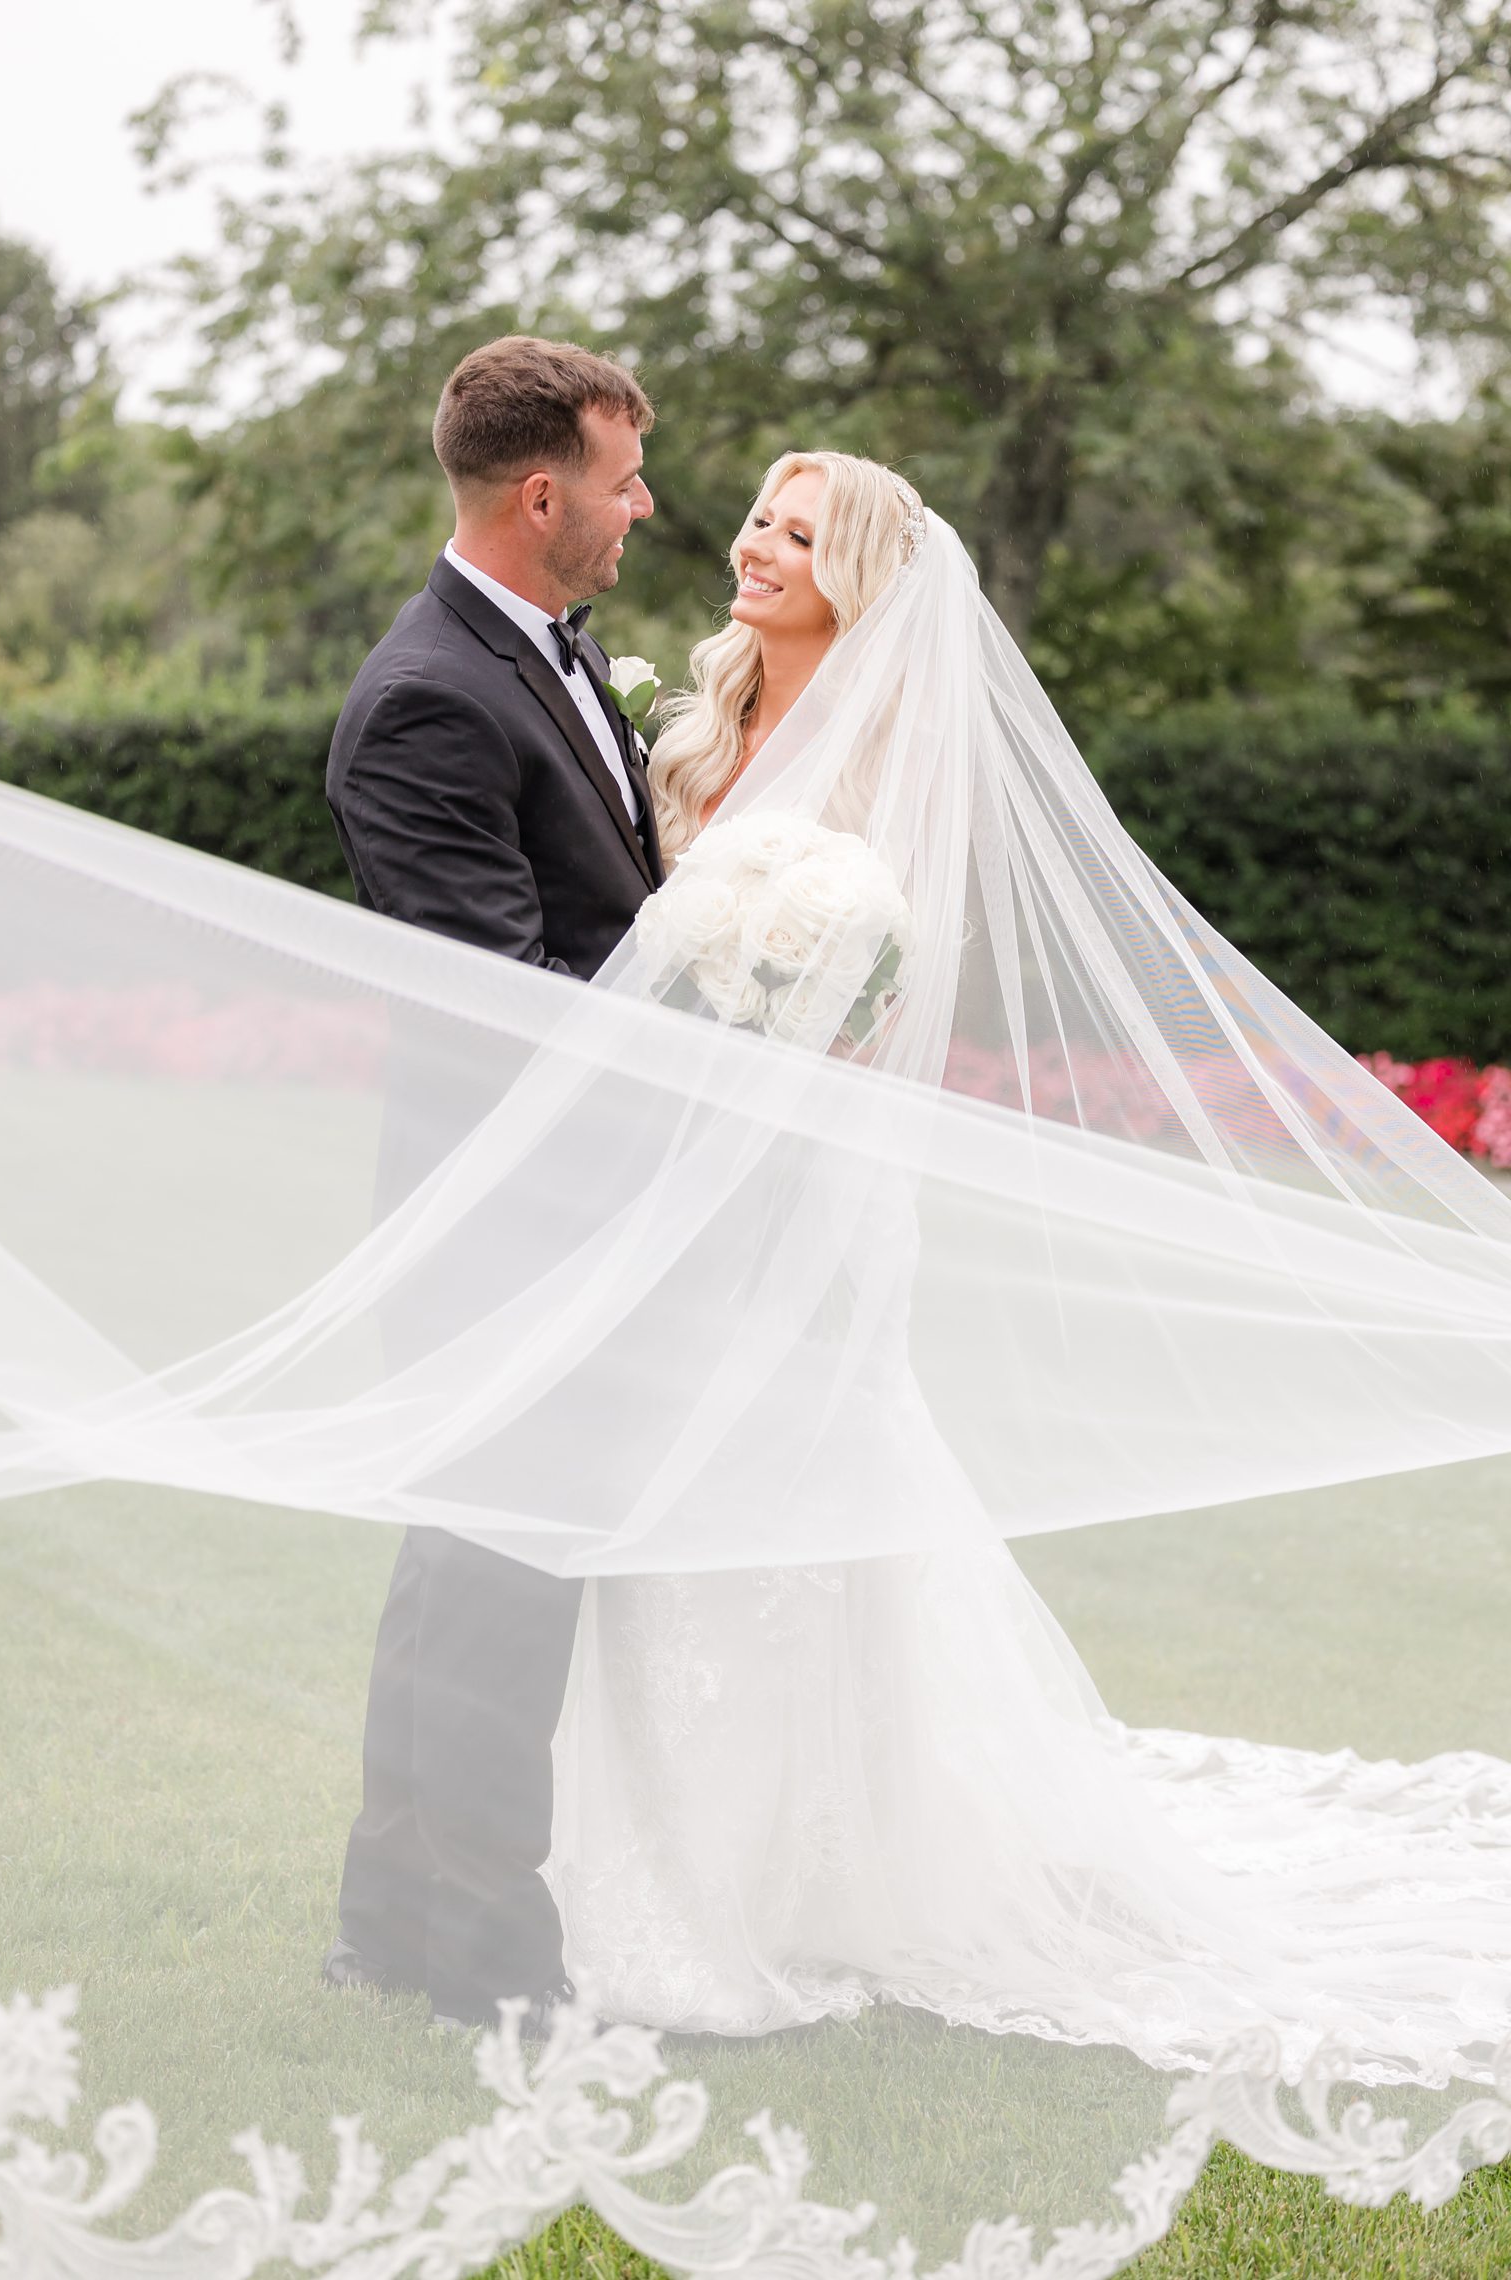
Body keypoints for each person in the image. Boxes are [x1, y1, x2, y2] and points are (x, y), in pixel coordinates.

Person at [544, 450, 1511, 2080]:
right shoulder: (698, 729)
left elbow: (887, 985)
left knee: (793, 1482)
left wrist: (782, 1058)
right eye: (757, 524)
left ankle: (824, 1865)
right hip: (686, 1170)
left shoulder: (903, 758)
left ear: (855, 569)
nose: (754, 548)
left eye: (794, 532)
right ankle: (666, 1846)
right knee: (673, 1488)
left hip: (814, 1178)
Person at [322, 333, 661, 2030]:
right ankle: (474, 1954)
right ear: (544, 493)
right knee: (495, 1586)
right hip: (508, 1226)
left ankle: (389, 1922)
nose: (642, 508)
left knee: (476, 1574)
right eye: (621, 480)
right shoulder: (428, 701)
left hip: (573, 1224)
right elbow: (510, 1005)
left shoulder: (552, 658)